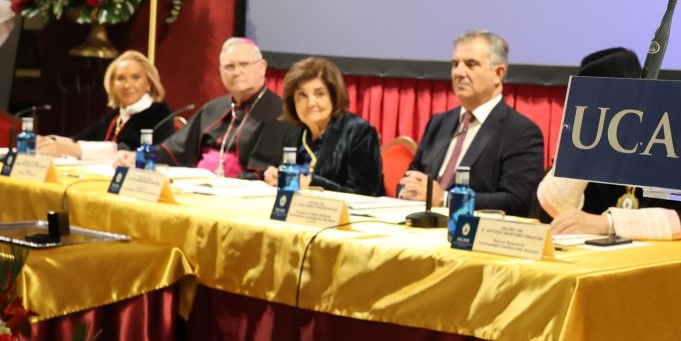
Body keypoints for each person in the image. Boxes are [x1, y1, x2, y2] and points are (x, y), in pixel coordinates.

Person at [536, 47, 681, 240]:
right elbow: (550, 211)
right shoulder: (595, 143)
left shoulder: (680, 140)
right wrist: (583, 145)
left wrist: (609, 223)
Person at [397, 30, 545, 217]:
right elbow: (411, 176)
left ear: (498, 73)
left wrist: (446, 199)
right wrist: (406, 190)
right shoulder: (439, 122)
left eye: (470, 64)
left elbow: (517, 200)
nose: (458, 72)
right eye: (455, 64)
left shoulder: (521, 132)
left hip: (473, 235)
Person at [150, 37, 288, 176]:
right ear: (221, 72)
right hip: (196, 186)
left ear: (262, 67)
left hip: (241, 191)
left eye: (244, 64)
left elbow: (262, 170)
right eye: (229, 66)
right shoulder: (212, 108)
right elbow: (174, 149)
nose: (236, 72)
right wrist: (140, 156)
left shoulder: (278, 112)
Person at [258, 57, 383, 196]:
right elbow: (290, 179)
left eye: (319, 94)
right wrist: (277, 177)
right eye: (302, 95)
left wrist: (311, 183)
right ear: (292, 101)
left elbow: (365, 194)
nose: (311, 103)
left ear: (333, 96)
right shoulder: (293, 134)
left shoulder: (359, 132)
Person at [36, 49, 171, 161]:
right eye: (120, 78)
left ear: (149, 83)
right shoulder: (116, 115)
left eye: (135, 77)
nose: (127, 85)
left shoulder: (160, 115)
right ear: (112, 84)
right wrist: (49, 141)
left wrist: (73, 150)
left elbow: (127, 150)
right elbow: (79, 139)